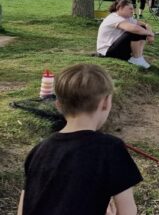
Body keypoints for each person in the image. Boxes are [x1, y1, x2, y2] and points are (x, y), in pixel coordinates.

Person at [17, 63, 143, 214]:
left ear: (58, 105)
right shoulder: (111, 148)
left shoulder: (39, 150)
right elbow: (127, 211)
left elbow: (23, 208)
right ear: (105, 102)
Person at [96, 0, 154, 69]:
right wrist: (150, 33)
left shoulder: (128, 18)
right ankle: (137, 58)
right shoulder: (114, 17)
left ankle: (139, 57)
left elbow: (144, 25)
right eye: (130, 8)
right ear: (120, 8)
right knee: (136, 31)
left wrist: (149, 32)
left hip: (116, 48)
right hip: (107, 51)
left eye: (132, 9)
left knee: (142, 29)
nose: (132, 11)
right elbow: (134, 28)